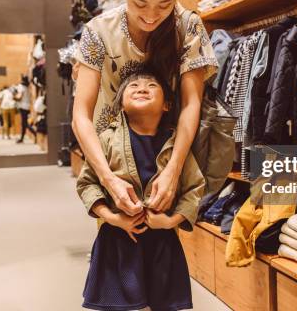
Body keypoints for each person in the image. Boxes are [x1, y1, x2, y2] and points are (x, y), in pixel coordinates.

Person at [72, 0, 218, 217]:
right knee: (115, 237)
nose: (151, 16)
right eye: (140, 3)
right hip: (111, 154)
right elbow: (81, 114)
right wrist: (107, 178)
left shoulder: (188, 26)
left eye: (165, 4)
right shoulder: (98, 31)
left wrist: (174, 171)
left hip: (166, 150)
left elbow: (191, 104)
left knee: (165, 242)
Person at [77, 72, 205, 310]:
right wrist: (113, 218)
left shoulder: (177, 145)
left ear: (167, 104)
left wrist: (169, 222)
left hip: (162, 245)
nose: (142, 88)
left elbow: (193, 189)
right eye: (133, 86)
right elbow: (87, 184)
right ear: (121, 106)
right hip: (116, 242)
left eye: (152, 85)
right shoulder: (106, 139)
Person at [14, 75, 36, 143]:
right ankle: (22, 138)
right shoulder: (27, 87)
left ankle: (34, 132)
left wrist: (14, 97)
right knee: (24, 123)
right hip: (27, 106)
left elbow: (19, 97)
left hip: (23, 107)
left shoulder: (21, 87)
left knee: (25, 123)